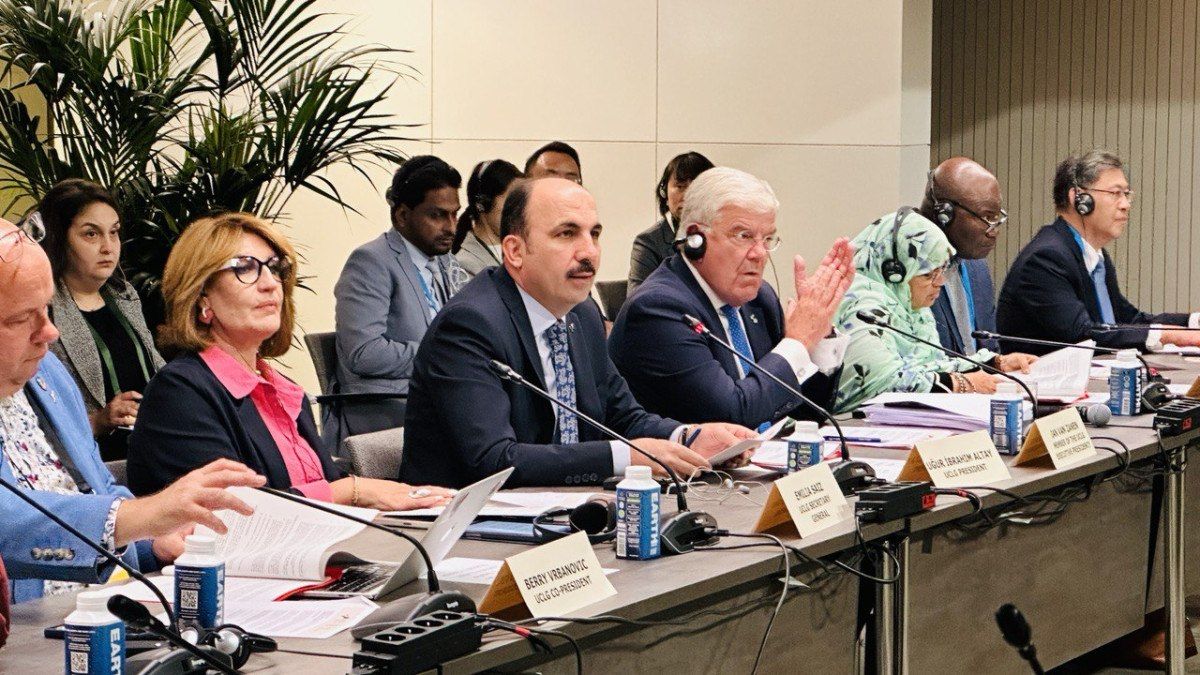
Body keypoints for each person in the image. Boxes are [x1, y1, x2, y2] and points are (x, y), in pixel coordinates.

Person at [399, 177, 757, 489]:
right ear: (515, 251)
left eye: (594, 234)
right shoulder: (470, 324)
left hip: (563, 513)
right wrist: (626, 457)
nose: (589, 252)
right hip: (463, 527)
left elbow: (623, 417)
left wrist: (688, 437)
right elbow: (493, 460)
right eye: (567, 234)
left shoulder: (582, 314)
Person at [0, 219, 264, 604]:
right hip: (28, 623)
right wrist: (141, 516)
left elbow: (99, 489)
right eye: (21, 318)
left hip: (108, 606)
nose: (50, 332)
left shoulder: (46, 373)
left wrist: (151, 541)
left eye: (47, 308)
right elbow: (8, 524)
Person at [128, 213, 453, 512]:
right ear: (202, 298)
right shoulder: (181, 393)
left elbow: (323, 487)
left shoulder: (281, 389)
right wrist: (353, 490)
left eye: (274, 268)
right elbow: (231, 515)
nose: (270, 283)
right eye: (244, 267)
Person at [609, 167, 851, 430]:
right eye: (744, 236)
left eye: (767, 239)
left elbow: (807, 412)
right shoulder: (658, 309)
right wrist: (797, 342)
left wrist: (818, 335)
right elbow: (732, 416)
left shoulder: (759, 300)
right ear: (695, 238)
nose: (760, 254)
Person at [997, 150, 1200, 354]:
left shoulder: (1094, 256)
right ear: (1079, 199)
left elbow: (1127, 320)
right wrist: (1166, 335)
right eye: (1115, 193)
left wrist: (1193, 322)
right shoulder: (1045, 259)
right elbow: (1082, 334)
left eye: (1127, 194)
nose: (1125, 205)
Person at [832, 210, 1037, 412]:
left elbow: (933, 366)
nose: (940, 282)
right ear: (894, 273)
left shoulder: (910, 307)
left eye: (941, 271)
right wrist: (961, 384)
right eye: (928, 274)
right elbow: (884, 382)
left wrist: (996, 363)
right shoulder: (862, 307)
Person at [329, 155, 467, 445]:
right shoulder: (370, 262)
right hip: (387, 412)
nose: (451, 227)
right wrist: (441, 356)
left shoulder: (444, 262)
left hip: (438, 401)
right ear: (402, 215)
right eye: (437, 215)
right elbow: (364, 353)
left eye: (455, 215)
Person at [36, 179, 166, 461]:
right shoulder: (42, 313)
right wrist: (99, 420)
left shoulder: (124, 294)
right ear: (59, 239)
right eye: (91, 234)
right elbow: (37, 417)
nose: (108, 247)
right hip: (96, 462)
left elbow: (156, 369)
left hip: (156, 445)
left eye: (114, 232)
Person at [922, 158, 1004, 355]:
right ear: (945, 213)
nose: (994, 231)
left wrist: (999, 362)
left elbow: (990, 346)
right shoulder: (911, 271)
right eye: (987, 217)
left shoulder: (977, 266)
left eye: (997, 217)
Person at [627, 152, 715, 294]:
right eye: (680, 186)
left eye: (697, 188)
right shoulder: (649, 242)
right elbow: (638, 300)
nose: (688, 196)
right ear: (664, 192)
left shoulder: (728, 236)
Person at [452, 159, 522, 277]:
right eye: (511, 200)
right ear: (483, 203)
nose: (519, 208)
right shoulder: (464, 265)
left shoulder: (521, 249)